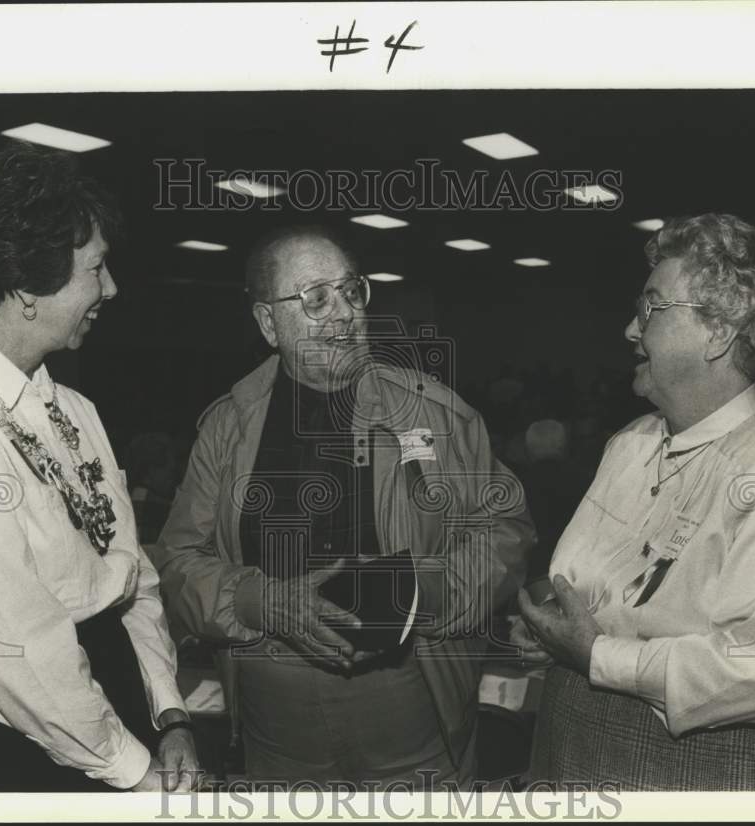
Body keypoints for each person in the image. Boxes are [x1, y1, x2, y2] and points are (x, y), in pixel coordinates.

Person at [150, 225, 534, 789]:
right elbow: (176, 561)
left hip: (410, 702)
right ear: (267, 323)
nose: (344, 313)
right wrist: (264, 602)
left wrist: (430, 589)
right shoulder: (227, 428)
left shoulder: (437, 414)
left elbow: (506, 535)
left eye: (352, 290)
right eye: (315, 298)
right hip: (275, 720)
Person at [514, 213, 755, 791]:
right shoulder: (632, 443)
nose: (629, 329)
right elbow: (607, 586)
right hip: (578, 748)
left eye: (651, 307)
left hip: (712, 772)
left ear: (718, 331)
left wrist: (597, 655)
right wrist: (554, 626)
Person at [0, 143, 199, 792]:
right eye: (96, 268)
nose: (112, 289)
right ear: (27, 283)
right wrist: (131, 767)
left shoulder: (77, 410)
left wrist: (168, 710)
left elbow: (130, 574)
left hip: (106, 716)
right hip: (9, 746)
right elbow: (6, 649)